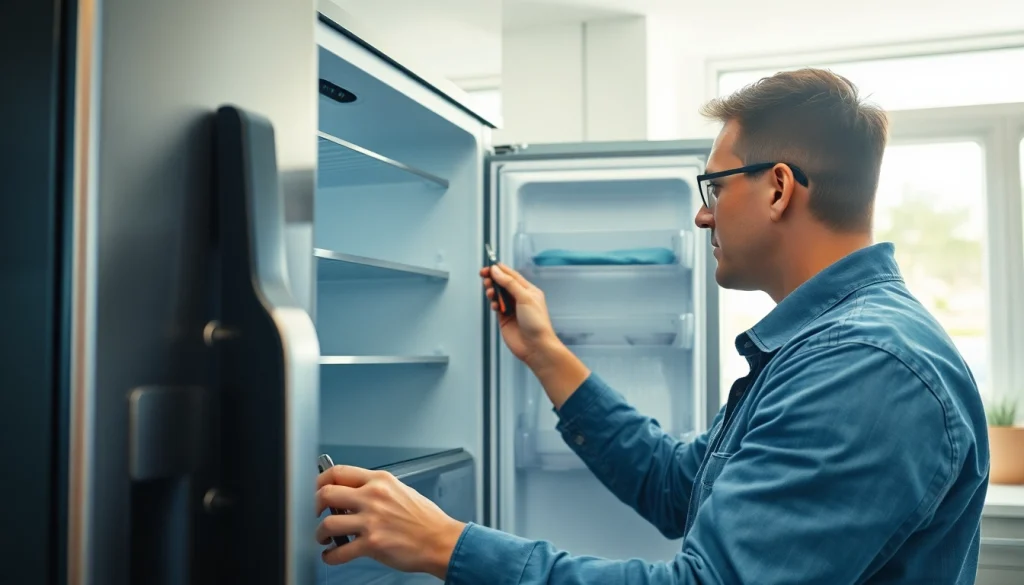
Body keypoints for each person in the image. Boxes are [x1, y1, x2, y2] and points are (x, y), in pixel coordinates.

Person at [314, 68, 990, 584]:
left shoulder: (867, 367)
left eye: (715, 188)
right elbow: (676, 485)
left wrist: (445, 544)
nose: (703, 216)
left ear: (779, 188)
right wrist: (547, 353)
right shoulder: (825, 349)